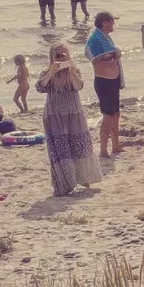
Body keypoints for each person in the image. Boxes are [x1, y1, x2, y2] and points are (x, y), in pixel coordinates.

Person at [35, 43, 102, 196]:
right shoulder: (47, 72)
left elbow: (79, 86)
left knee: (79, 146)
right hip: (55, 115)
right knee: (60, 150)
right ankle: (65, 183)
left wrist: (70, 68)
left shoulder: (74, 70)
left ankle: (84, 178)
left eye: (63, 55)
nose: (61, 58)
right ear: (52, 57)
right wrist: (51, 72)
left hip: (74, 113)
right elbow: (40, 87)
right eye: (57, 55)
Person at [86, 11, 124, 158]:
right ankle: (103, 150)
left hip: (113, 80)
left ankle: (116, 146)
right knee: (108, 115)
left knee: (116, 114)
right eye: (111, 21)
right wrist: (114, 55)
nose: (114, 24)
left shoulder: (105, 37)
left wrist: (114, 55)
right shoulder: (96, 39)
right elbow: (95, 60)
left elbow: (111, 55)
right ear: (104, 23)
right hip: (104, 81)